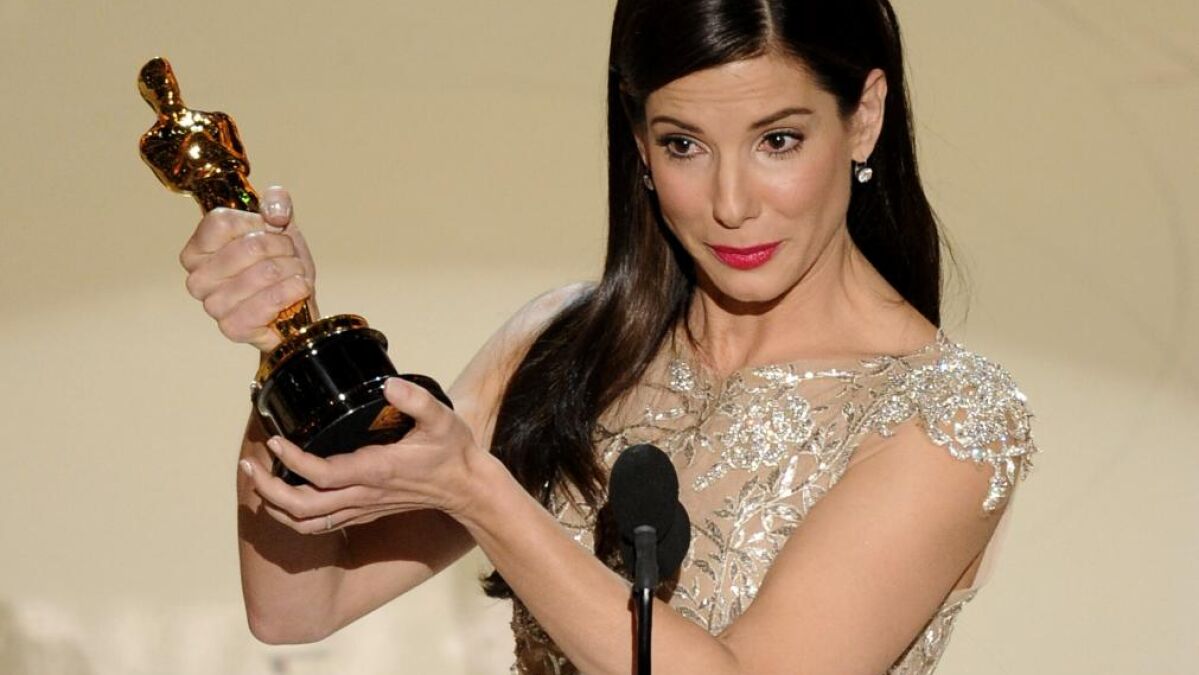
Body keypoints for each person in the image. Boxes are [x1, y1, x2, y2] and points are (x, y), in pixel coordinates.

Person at [177, 1, 1039, 673]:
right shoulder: (566, 344)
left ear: (864, 117)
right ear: (639, 142)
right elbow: (299, 605)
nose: (731, 203)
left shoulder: (945, 416)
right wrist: (284, 344)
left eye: (777, 140)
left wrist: (480, 492)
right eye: (684, 145)